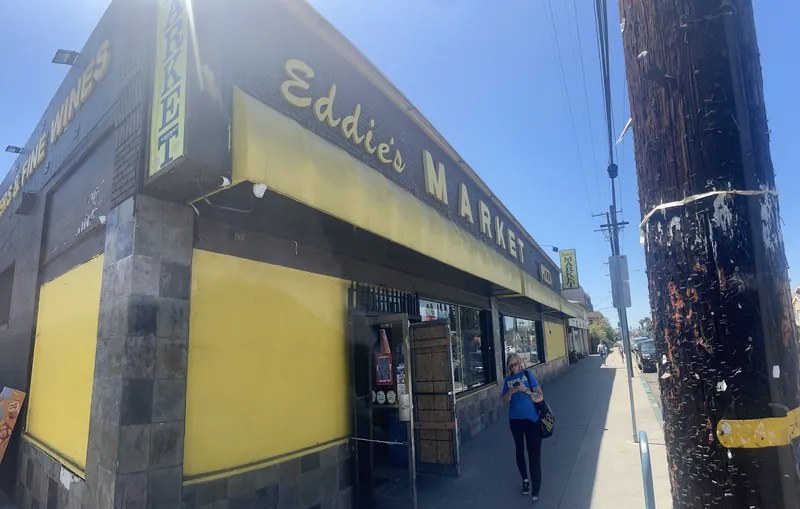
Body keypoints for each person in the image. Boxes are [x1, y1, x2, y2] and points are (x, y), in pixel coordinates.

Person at [501, 353, 544, 502]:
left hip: (532, 420)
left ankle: (536, 488)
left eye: (515, 364)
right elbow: (504, 400)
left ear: (520, 362)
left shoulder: (527, 374)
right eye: (510, 366)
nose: (514, 368)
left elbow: (540, 396)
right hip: (515, 421)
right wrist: (511, 392)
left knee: (534, 454)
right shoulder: (507, 380)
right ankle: (525, 480)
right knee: (519, 451)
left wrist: (525, 390)